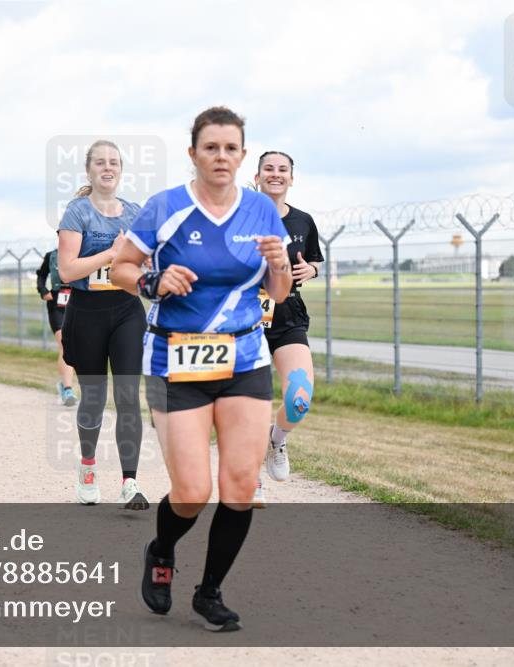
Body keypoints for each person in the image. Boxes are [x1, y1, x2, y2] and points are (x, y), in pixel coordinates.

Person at [110, 106, 292, 631]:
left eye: (231, 148)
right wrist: (153, 282)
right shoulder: (164, 207)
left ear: (242, 156)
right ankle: (162, 548)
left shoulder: (261, 210)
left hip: (244, 358)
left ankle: (209, 592)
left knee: (239, 487)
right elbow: (122, 267)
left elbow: (275, 293)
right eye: (210, 147)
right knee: (192, 491)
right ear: (193, 154)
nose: (221, 157)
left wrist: (280, 267)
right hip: (175, 359)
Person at [58, 139, 149, 511]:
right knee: (94, 398)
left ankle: (130, 483)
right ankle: (88, 467)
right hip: (87, 312)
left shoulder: (136, 213)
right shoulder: (77, 211)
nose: (107, 167)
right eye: (100, 162)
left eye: (113, 162)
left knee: (128, 397)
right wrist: (111, 254)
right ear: (89, 170)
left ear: (121, 170)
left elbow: (146, 262)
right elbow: (67, 270)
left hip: (126, 309)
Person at [255, 151, 324, 494]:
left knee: (299, 399)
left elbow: (314, 262)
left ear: (292, 178)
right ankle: (247, 471)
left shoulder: (303, 221)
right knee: (247, 405)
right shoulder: (239, 217)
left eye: (283, 169)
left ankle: (276, 440)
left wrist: (312, 269)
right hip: (244, 319)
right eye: (269, 168)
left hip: (288, 317)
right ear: (258, 175)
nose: (276, 174)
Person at [36, 248, 77, 406]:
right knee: (64, 344)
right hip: (57, 304)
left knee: (77, 347)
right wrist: (43, 290)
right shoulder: (51, 255)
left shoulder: (83, 252)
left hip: (78, 302)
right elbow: (41, 274)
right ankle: (67, 390)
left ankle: (66, 384)